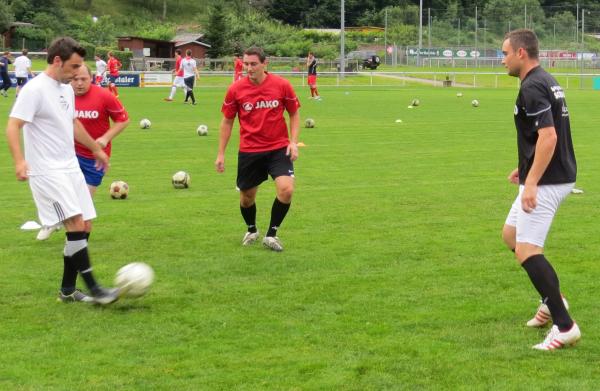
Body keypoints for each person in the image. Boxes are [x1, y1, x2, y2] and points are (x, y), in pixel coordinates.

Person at [5, 37, 120, 305]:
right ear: (58, 61)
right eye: (74, 66)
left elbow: (73, 123)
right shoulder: (34, 90)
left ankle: (68, 291)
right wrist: (19, 161)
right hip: (47, 171)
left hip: (70, 168)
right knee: (75, 224)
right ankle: (96, 289)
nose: (78, 72)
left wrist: (95, 148)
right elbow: (13, 126)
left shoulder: (65, 88)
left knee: (83, 225)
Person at [501, 29, 580, 350]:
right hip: (549, 173)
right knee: (510, 235)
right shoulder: (545, 79)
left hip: (549, 181)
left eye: (505, 53)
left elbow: (549, 136)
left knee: (528, 250)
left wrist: (531, 182)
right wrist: (527, 165)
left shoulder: (533, 85)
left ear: (521, 53)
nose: (502, 59)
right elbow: (544, 136)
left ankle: (565, 326)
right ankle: (553, 298)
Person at [215, 46, 300, 252]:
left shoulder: (282, 85)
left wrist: (293, 141)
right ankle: (252, 229)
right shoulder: (235, 89)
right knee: (246, 199)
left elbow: (294, 113)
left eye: (253, 64)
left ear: (264, 63)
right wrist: (221, 154)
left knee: (286, 190)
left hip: (278, 147)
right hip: (250, 150)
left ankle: (271, 234)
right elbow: (227, 122)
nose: (248, 68)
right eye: (246, 64)